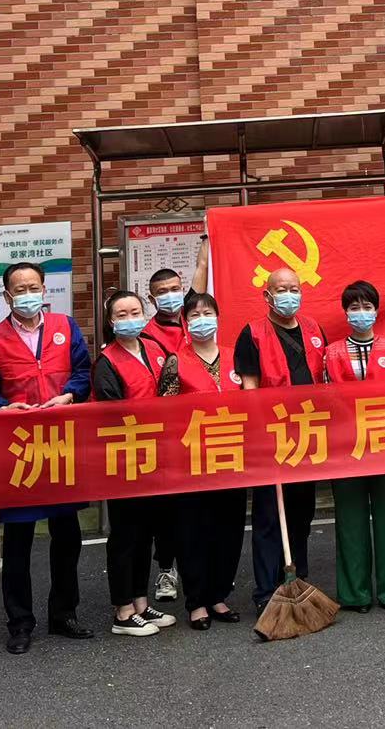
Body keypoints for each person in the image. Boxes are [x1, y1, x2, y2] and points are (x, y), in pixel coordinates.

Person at [0, 262, 94, 653]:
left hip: (61, 445)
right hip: (18, 450)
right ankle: (20, 623)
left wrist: (70, 395)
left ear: (44, 290)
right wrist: (3, 407)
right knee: (18, 541)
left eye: (33, 287)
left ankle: (64, 614)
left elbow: (83, 372)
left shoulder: (65, 327)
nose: (27, 294)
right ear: (7, 295)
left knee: (67, 534)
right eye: (19, 289)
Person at [233, 265, 326, 614]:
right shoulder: (252, 334)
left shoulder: (314, 329)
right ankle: (266, 592)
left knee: (301, 514)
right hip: (272, 437)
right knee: (270, 518)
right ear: (267, 295)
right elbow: (250, 388)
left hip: (308, 435)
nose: (289, 295)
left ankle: (297, 580)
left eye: (294, 288)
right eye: (281, 289)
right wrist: (262, 435)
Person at [321, 281, 385, 612]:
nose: (361, 313)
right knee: (350, 520)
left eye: (367, 307)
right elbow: (327, 399)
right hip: (346, 447)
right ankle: (354, 594)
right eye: (354, 307)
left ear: (377, 310)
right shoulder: (331, 353)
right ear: (346, 313)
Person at [157, 291, 245, 629]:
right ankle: (196, 602)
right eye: (194, 315)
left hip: (232, 457)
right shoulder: (175, 362)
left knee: (229, 530)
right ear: (185, 322)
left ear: (218, 318)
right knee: (193, 531)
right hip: (191, 461)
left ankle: (218, 595)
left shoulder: (236, 357)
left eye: (208, 313)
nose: (202, 320)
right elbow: (163, 412)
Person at [92, 290, 178, 637]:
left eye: (135, 312)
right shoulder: (106, 362)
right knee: (125, 535)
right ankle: (123, 611)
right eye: (122, 314)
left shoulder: (154, 348)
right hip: (125, 458)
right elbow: (110, 413)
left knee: (146, 533)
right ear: (111, 322)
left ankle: (141, 602)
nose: (130, 319)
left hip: (157, 457)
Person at [142, 267, 189, 605]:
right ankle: (166, 569)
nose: (170, 296)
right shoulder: (146, 336)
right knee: (166, 508)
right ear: (151, 297)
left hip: (203, 429)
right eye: (162, 291)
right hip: (166, 433)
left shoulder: (197, 321)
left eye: (175, 288)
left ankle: (201, 569)